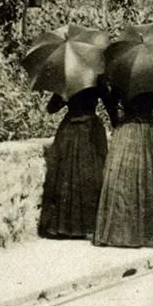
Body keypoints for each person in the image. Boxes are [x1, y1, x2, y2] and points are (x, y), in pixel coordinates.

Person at [92, 89, 153, 249]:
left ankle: (116, 232)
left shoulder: (121, 79)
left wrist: (119, 121)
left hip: (126, 132)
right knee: (149, 180)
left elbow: (112, 108)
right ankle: (146, 232)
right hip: (149, 132)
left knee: (121, 179)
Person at [37, 87, 108, 240]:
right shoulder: (97, 80)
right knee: (90, 175)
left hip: (70, 130)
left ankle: (63, 226)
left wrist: (65, 97)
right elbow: (111, 106)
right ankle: (89, 225)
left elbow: (51, 109)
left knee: (65, 175)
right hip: (90, 130)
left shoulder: (68, 81)